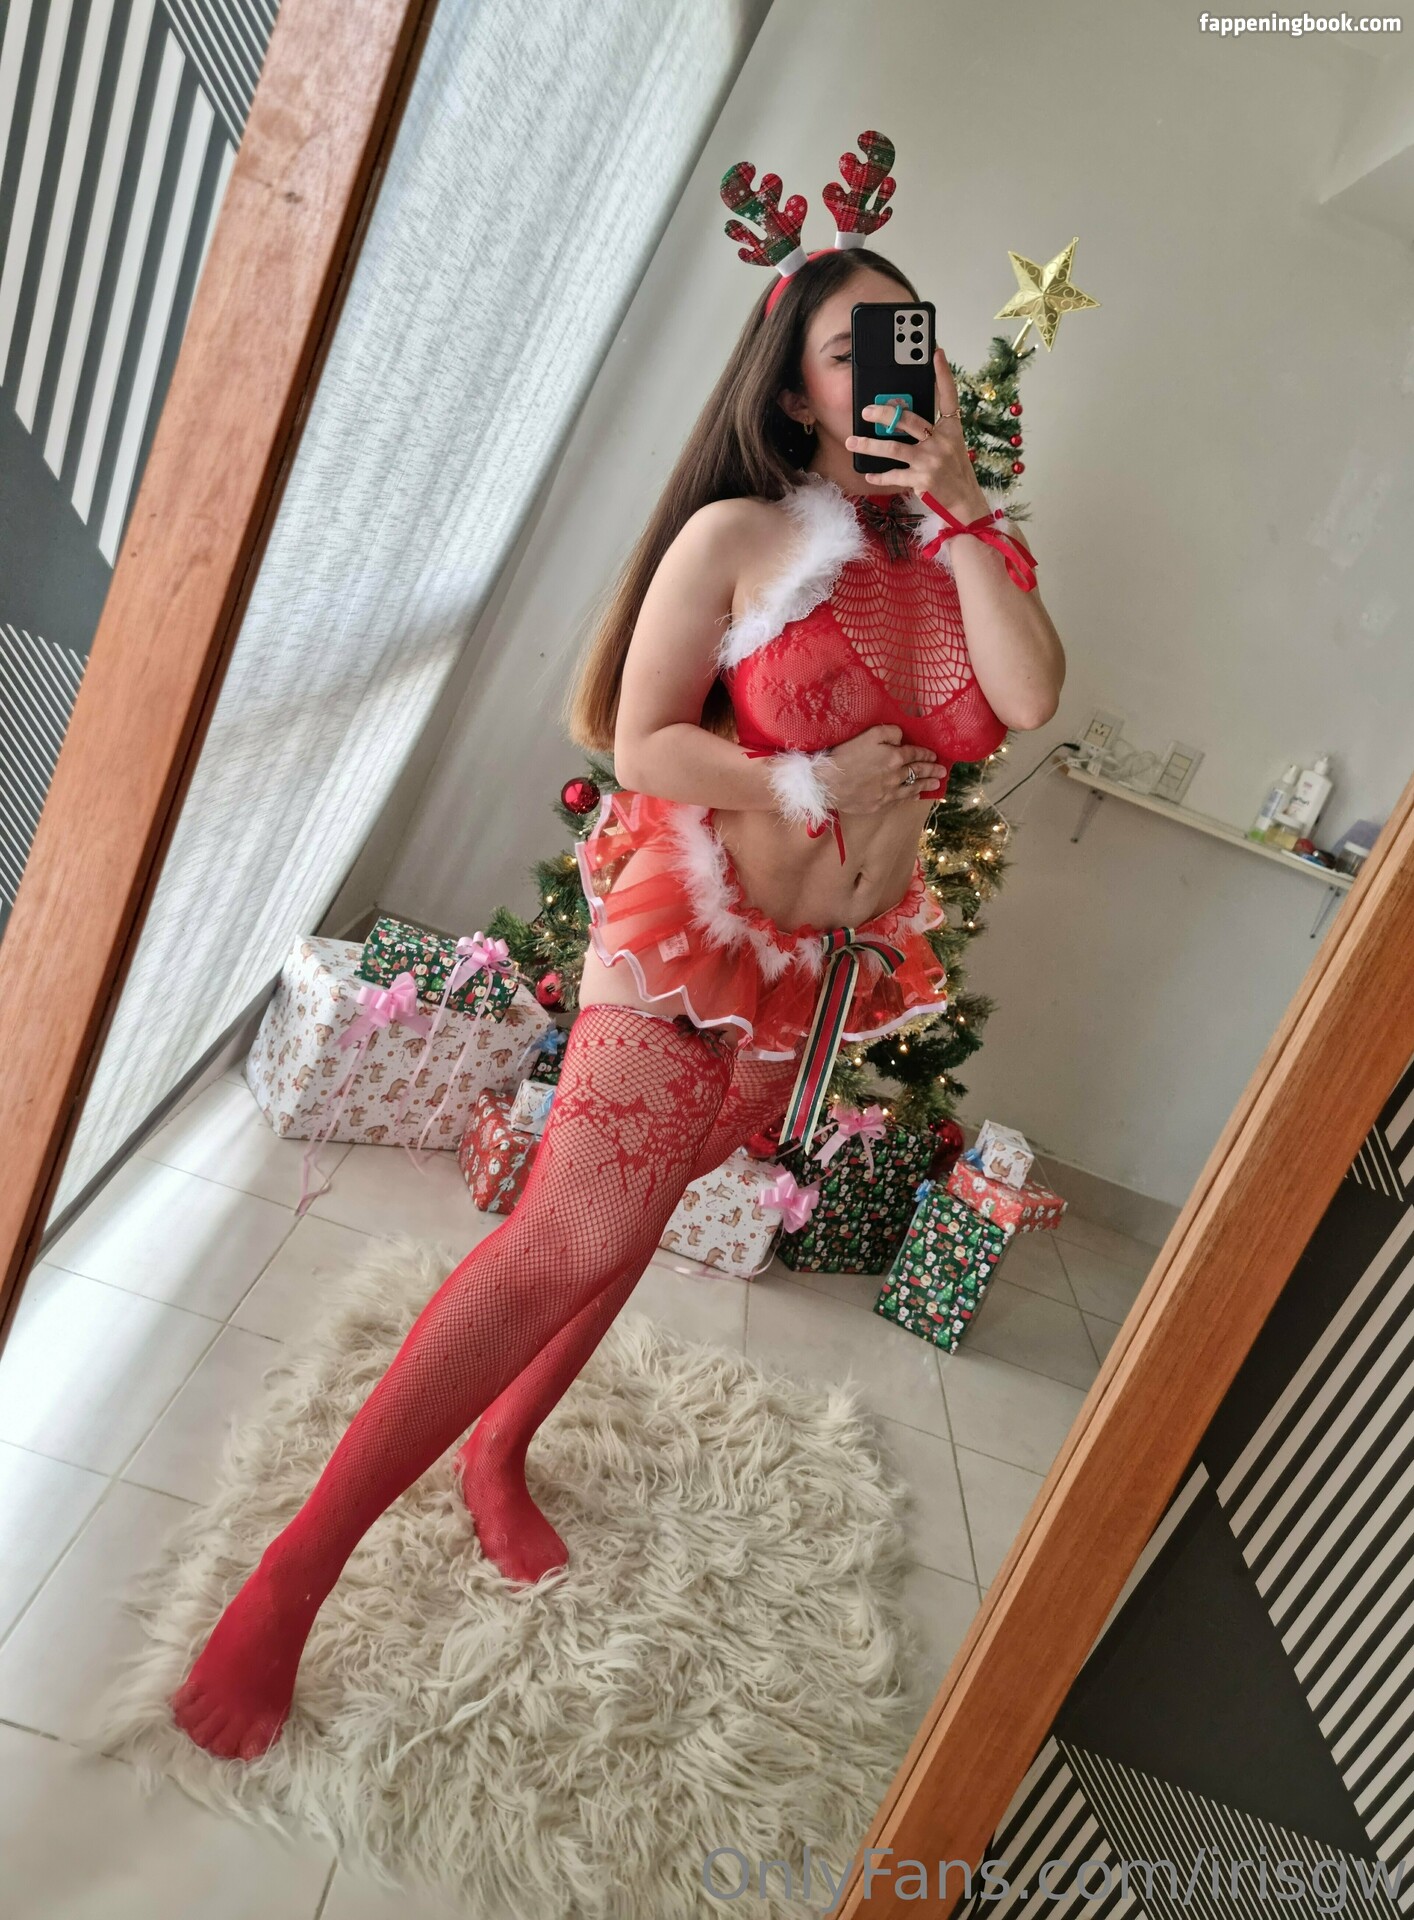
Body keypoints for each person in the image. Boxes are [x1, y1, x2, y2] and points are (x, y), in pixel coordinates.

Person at [170, 136, 1065, 1761]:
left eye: (906, 340)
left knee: (633, 1225)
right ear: (792, 392)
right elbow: (642, 739)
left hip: (822, 973)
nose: (888, 372)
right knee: (564, 1235)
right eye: (852, 350)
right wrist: (804, 780)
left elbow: (1028, 696)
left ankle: (499, 1449)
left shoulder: (961, 556)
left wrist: (958, 510)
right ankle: (296, 1571)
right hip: (687, 931)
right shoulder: (735, 534)